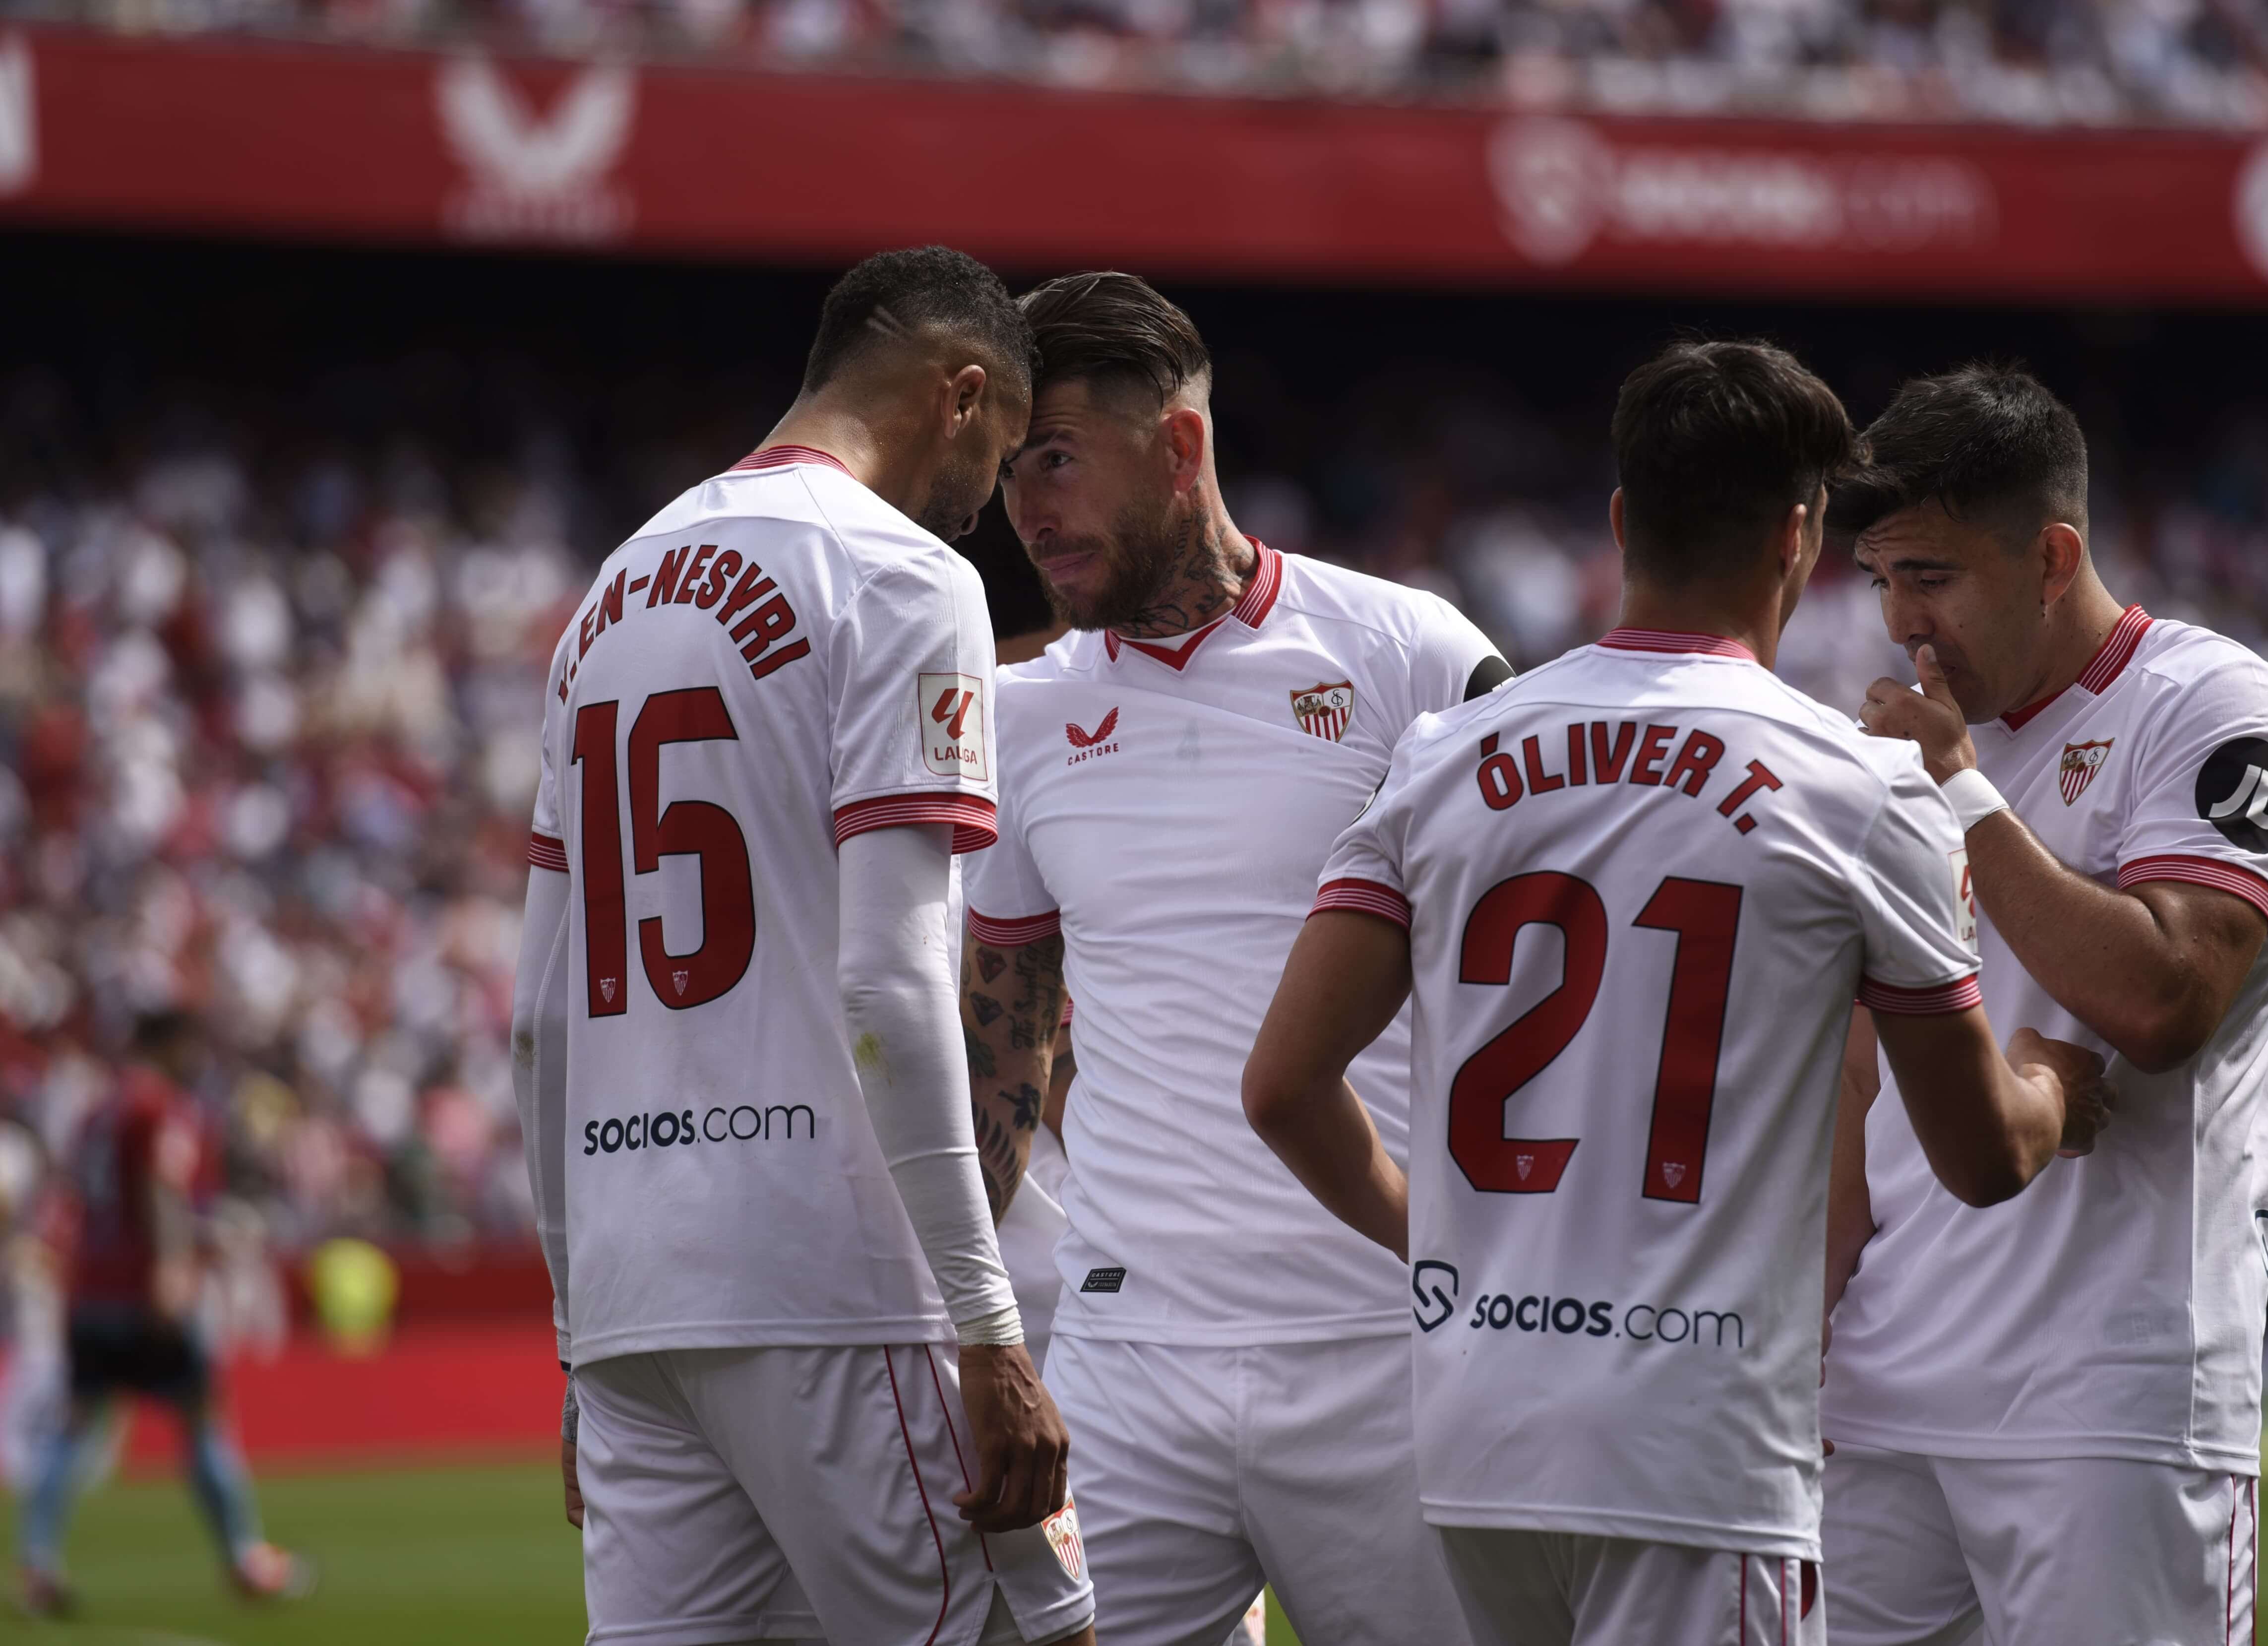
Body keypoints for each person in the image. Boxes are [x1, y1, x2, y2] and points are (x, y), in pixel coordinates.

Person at [1239, 338, 2101, 1646]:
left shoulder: (1441, 757)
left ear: (1624, 520)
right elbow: (1978, 1157)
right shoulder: (1859, 792)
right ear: (1803, 540)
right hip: (1695, 1452)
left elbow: (1286, 1086)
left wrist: (1448, 1247)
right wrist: (2055, 1086)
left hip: (1476, 1432)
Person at [513, 246, 1095, 1646]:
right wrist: (986, 1326)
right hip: (832, 1277)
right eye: (1003, 454)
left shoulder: (610, 592)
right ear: (962, 396)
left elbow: (540, 1018)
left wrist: (578, 1334)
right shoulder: (900, 576)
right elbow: (889, 978)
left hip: (641, 1297)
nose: (995, 507)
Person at [959, 271, 1510, 1646]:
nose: (1026, 505)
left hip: (1385, 1344)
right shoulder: (1020, 720)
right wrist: (963, 1326)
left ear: (1183, 448)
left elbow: (1546, 960)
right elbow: (1002, 1049)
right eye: (1013, 469)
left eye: (1059, 460)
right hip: (1128, 1363)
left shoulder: (1413, 657)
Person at [1821, 364, 2268, 1646]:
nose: (1900, 623)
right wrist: (1817, 1316)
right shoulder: (1902, 743)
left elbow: (2165, 997)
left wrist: (1961, 796)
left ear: (2052, 556)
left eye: (1929, 576)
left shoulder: (2215, 711)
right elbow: (1857, 1061)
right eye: (1881, 579)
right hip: (1883, 1384)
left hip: (2114, 1398)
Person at [16, 1009, 307, 1615]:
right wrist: (174, 1266)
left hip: (89, 1291)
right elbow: (161, 1188)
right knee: (203, 1420)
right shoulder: (158, 1107)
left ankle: (37, 1563)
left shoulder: (99, 1110)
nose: (194, 1059)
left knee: (74, 1429)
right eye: (189, 1045)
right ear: (168, 1043)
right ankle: (245, 1558)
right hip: (142, 1287)